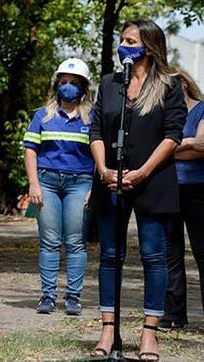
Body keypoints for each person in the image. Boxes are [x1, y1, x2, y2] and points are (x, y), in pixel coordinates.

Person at [89, 20, 186, 361]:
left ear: (149, 45)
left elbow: (173, 134)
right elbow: (96, 129)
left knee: (153, 256)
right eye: (121, 39)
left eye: (130, 40)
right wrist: (103, 169)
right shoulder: (110, 83)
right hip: (111, 181)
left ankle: (149, 334)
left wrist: (143, 172)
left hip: (153, 180)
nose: (123, 45)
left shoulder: (169, 84)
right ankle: (107, 329)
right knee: (110, 256)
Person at [23, 58, 94, 316]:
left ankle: (73, 296)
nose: (68, 86)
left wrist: (94, 188)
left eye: (74, 83)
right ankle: (48, 296)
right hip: (47, 182)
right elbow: (30, 150)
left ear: (84, 87)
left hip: (81, 183)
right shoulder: (42, 115)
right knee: (50, 241)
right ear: (56, 85)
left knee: (75, 241)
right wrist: (34, 184)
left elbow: (100, 154)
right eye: (63, 82)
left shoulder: (93, 118)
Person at [160, 69, 204, 330]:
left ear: (185, 84)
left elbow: (202, 146)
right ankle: (174, 314)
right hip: (168, 188)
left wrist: (173, 148)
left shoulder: (201, 109)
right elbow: (154, 149)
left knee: (202, 252)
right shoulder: (163, 115)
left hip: (199, 189)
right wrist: (188, 144)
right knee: (170, 254)